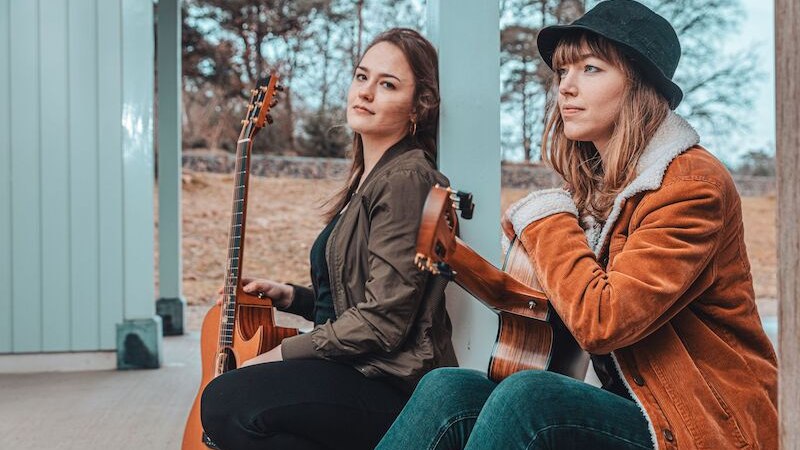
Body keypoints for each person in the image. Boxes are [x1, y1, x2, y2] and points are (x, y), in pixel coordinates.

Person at [376, 1, 777, 449]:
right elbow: (543, 308)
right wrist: (456, 257)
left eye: (590, 69)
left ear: (639, 87)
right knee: (448, 389)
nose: (565, 87)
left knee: (529, 399)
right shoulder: (597, 191)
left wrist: (547, 221)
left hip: (704, 427)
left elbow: (603, 320)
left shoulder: (690, 186)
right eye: (562, 72)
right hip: (644, 411)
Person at [200, 28, 457, 450]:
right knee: (232, 400)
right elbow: (359, 297)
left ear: (418, 108)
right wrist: (293, 297)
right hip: (358, 369)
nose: (366, 92)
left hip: (391, 384)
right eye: (361, 77)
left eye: (387, 84)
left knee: (230, 402)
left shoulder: (408, 179)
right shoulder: (371, 180)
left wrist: (281, 354)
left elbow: (385, 321)